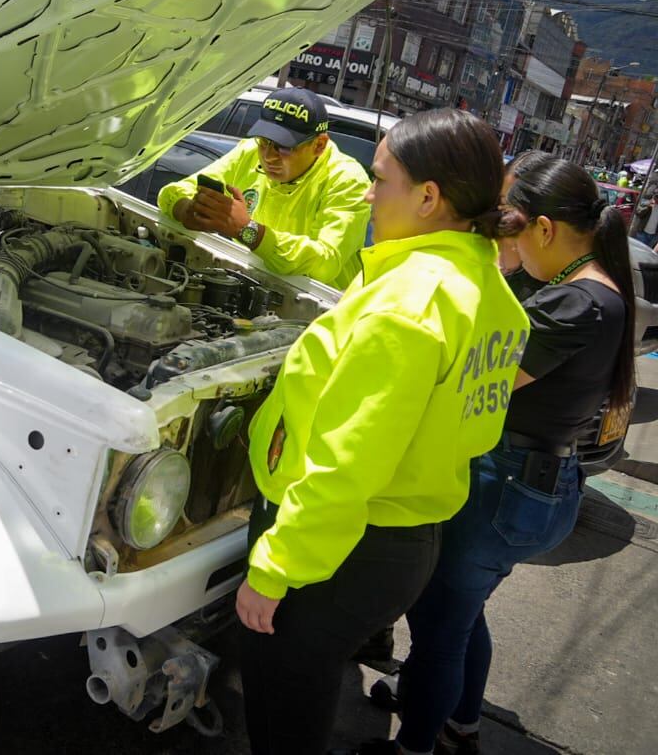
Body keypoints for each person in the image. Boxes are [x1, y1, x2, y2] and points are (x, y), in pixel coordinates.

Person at [233, 108, 529, 755]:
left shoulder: (409, 303)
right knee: (311, 684)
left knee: (286, 700)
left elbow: (347, 466)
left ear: (428, 197)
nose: (368, 192)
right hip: (406, 536)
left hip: (342, 544)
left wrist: (275, 569)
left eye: (380, 178)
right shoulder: (485, 286)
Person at [351, 157, 635, 755]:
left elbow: (482, 374)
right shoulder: (592, 294)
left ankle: (416, 746)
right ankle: (461, 723)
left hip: (507, 489)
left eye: (511, 222)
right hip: (537, 485)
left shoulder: (576, 304)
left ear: (545, 229)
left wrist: (494, 273)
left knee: (438, 632)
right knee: (464, 616)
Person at [157, 88, 372, 288]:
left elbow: (325, 262)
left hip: (314, 310)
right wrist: (187, 210)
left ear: (319, 145)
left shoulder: (348, 180)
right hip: (248, 285)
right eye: (264, 141)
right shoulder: (249, 152)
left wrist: (248, 231)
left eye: (284, 147)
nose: (268, 156)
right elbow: (172, 192)